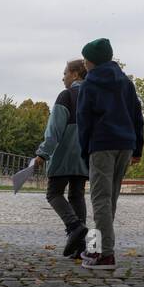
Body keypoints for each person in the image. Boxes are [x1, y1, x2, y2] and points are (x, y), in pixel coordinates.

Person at [76, 37, 144, 270]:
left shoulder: (89, 84)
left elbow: (84, 121)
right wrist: (138, 148)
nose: (84, 64)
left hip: (102, 144)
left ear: (92, 61)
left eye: (86, 60)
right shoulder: (126, 82)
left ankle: (105, 254)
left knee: (99, 199)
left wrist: (84, 149)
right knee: (109, 199)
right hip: (125, 144)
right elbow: (137, 115)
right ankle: (93, 248)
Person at [32, 59, 89, 259]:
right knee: (77, 195)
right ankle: (80, 246)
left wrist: (42, 153)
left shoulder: (66, 95)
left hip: (65, 153)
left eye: (65, 73)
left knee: (54, 193)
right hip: (85, 154)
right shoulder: (93, 95)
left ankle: (74, 227)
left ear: (74, 74)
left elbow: (54, 130)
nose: (62, 77)